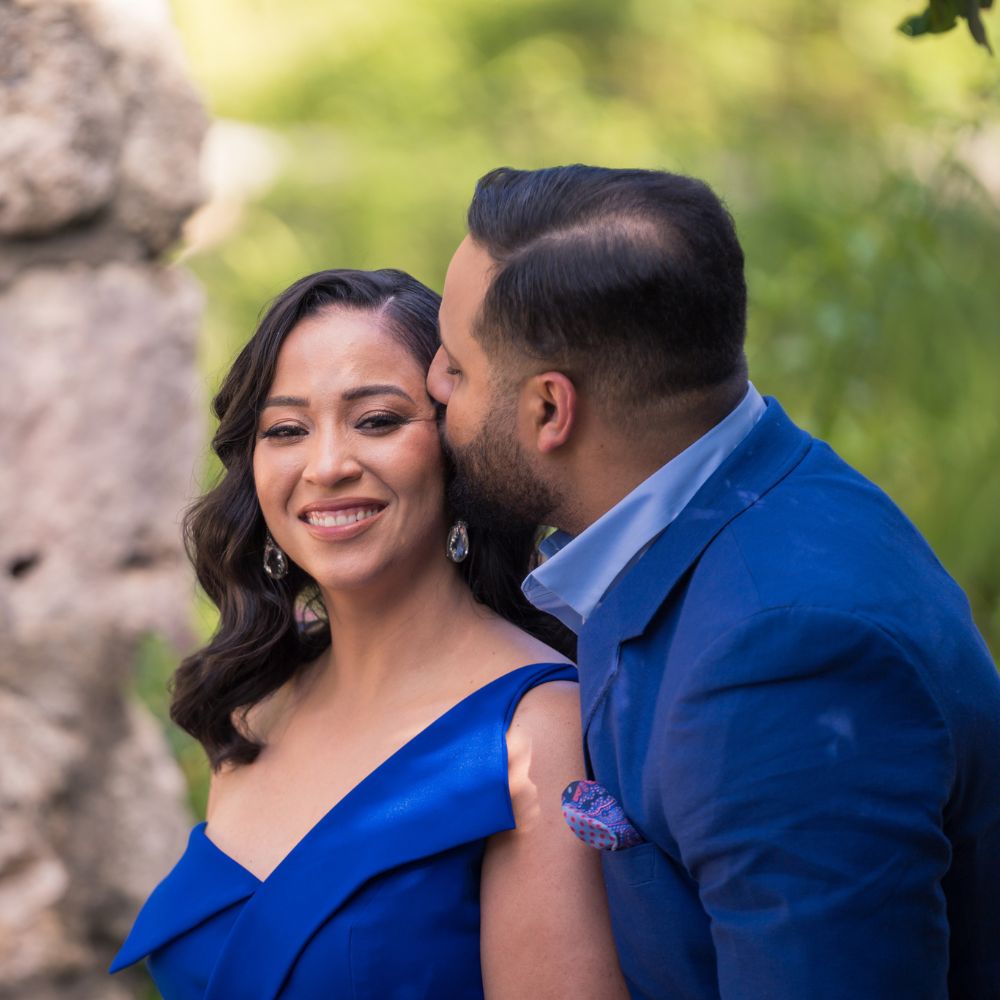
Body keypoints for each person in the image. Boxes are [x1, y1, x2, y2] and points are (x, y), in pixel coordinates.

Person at [428, 165, 1000, 1000]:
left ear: (551, 410)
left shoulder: (784, 661)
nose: (431, 383)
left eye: (458, 367)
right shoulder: (775, 484)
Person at [110, 268, 628, 999]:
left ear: (459, 445)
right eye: (286, 430)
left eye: (377, 421)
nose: (326, 466)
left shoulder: (537, 734)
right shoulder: (255, 707)